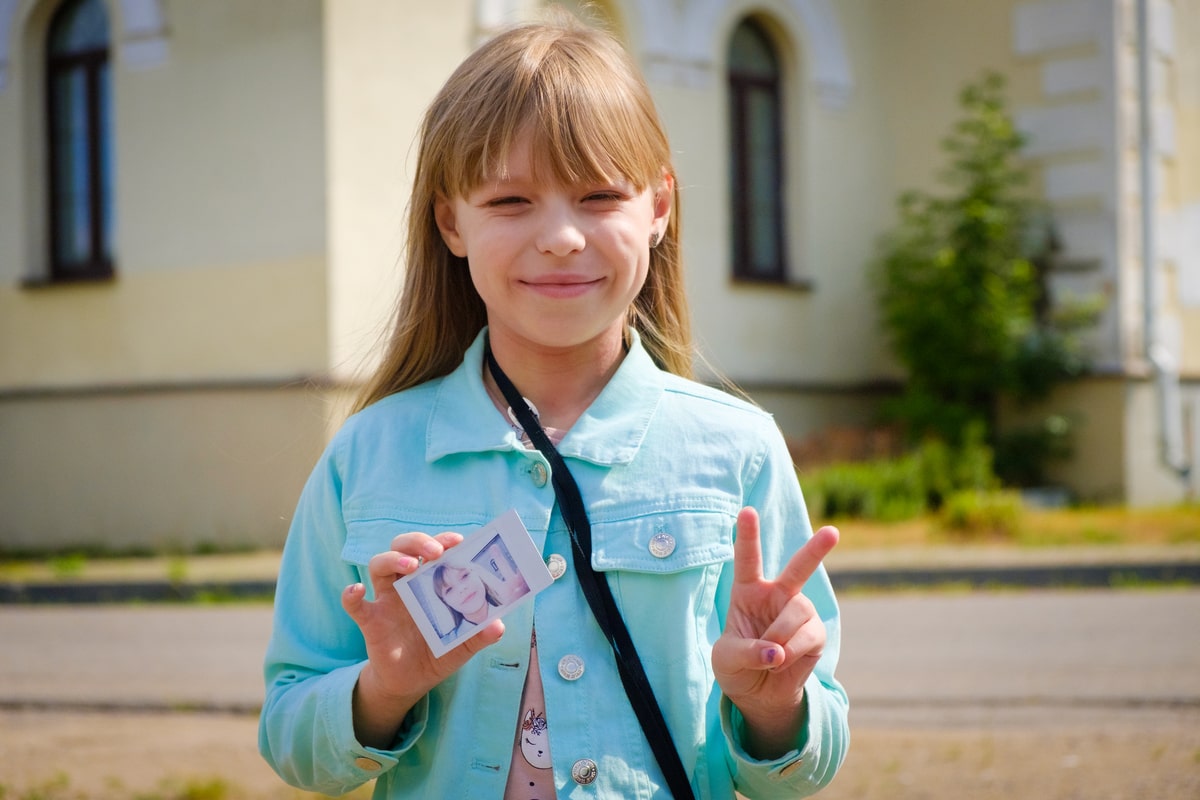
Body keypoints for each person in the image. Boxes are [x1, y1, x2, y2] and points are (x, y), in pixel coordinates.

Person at [259, 13, 849, 799]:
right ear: (450, 222)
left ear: (660, 206)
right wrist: (382, 691)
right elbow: (291, 736)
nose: (562, 236)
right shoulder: (368, 454)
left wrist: (777, 710)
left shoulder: (735, 450)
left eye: (600, 194)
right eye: (510, 200)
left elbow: (799, 766)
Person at [430, 561, 503, 641]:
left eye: (465, 576)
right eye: (449, 589)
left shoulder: (511, 604)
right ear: (446, 602)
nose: (461, 588)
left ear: (477, 574)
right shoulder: (448, 642)